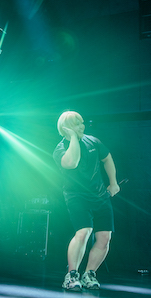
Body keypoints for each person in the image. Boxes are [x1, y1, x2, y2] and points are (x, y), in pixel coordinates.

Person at [52, 111, 120, 291]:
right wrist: (73, 137)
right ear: (65, 128)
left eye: (82, 123)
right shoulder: (60, 150)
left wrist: (113, 183)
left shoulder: (94, 141)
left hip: (100, 196)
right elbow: (72, 162)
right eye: (76, 124)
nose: (82, 126)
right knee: (84, 231)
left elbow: (107, 158)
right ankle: (72, 275)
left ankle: (89, 274)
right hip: (76, 196)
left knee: (104, 237)